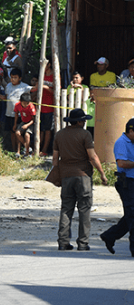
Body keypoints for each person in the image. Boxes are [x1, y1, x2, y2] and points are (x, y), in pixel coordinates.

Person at [53, 108, 107, 251]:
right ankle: (83, 243)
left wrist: (58, 176)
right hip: (83, 176)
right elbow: (92, 156)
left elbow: (54, 160)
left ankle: (63, 242)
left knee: (66, 209)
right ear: (78, 121)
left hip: (66, 176)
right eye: (83, 120)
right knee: (84, 210)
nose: (84, 122)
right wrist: (102, 173)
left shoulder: (59, 135)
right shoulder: (85, 134)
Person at [100, 118, 134, 256]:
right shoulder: (121, 143)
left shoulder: (132, 141)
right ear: (131, 131)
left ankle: (110, 236)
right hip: (127, 183)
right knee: (133, 215)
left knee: (130, 215)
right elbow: (121, 163)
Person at [0, 68, 31, 153]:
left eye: (15, 77)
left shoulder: (24, 86)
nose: (13, 79)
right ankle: (14, 150)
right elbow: (5, 97)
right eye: (12, 77)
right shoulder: (8, 86)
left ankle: (21, 150)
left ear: (20, 78)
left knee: (18, 132)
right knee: (12, 133)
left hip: (19, 115)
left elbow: (33, 89)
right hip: (9, 114)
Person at [31, 60, 55, 156]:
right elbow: (35, 88)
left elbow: (56, 91)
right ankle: (37, 149)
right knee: (40, 129)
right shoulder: (42, 75)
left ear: (49, 64)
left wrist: (45, 87)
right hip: (40, 106)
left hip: (50, 107)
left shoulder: (55, 76)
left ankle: (44, 150)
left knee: (48, 130)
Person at [14, 92, 36, 157]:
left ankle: (27, 152)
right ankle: (26, 146)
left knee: (27, 135)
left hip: (30, 123)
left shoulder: (31, 107)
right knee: (17, 133)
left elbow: (33, 120)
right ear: (20, 101)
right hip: (23, 122)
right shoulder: (17, 105)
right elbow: (16, 114)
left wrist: (27, 125)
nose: (26, 105)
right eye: (24, 103)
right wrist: (15, 124)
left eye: (27, 103)